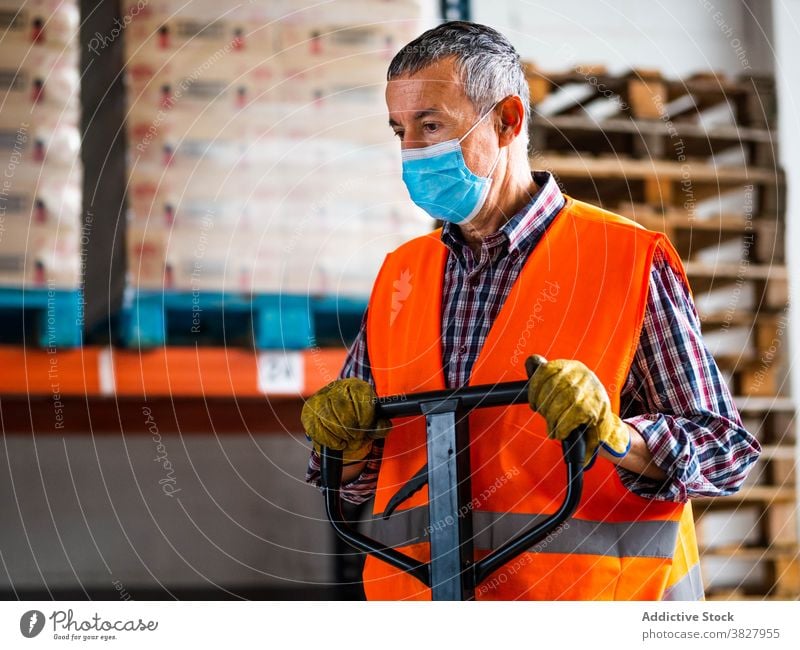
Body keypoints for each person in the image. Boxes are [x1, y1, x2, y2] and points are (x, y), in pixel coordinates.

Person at [302, 21, 760, 600]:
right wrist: (343, 443)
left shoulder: (623, 260)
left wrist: (618, 436)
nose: (412, 151)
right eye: (400, 131)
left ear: (508, 120)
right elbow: (347, 483)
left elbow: (724, 450)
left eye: (431, 125)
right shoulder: (403, 275)